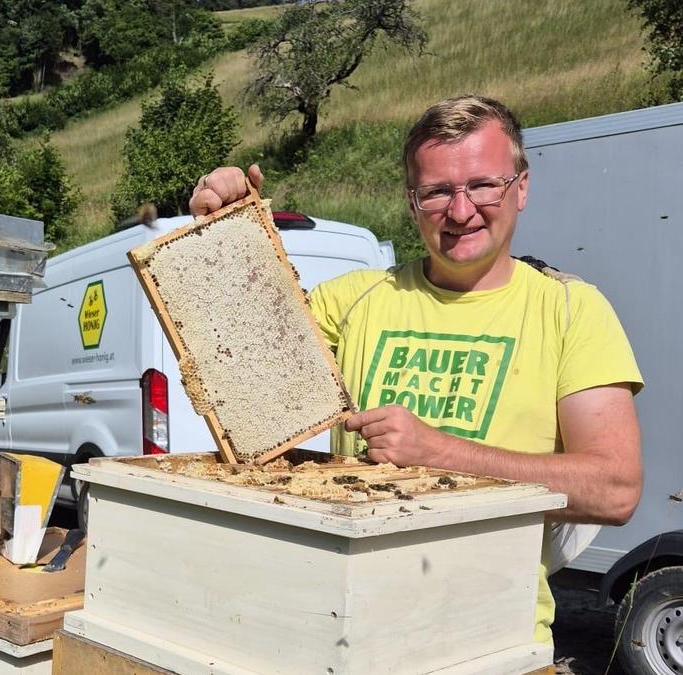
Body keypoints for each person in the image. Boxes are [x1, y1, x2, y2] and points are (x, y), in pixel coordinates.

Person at [189, 95, 643, 644]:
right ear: (412, 201)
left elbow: (615, 489)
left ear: (520, 187)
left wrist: (441, 452)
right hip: (340, 629)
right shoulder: (351, 302)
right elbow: (248, 389)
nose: (460, 211)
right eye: (437, 192)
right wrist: (229, 237)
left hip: (489, 639)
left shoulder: (571, 310)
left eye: (482, 185)